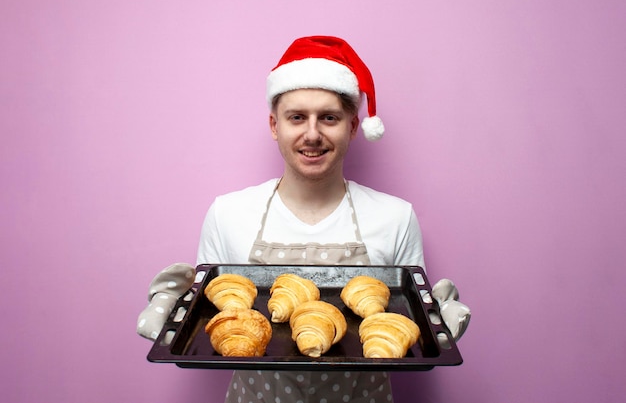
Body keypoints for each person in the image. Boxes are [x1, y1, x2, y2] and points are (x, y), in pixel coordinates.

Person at [137, 35, 470, 403]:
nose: (312, 134)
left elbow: (412, 321)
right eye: (297, 117)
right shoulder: (229, 213)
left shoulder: (394, 217)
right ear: (274, 125)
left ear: (353, 127)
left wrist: (440, 318)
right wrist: (167, 308)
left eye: (329, 117)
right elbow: (203, 315)